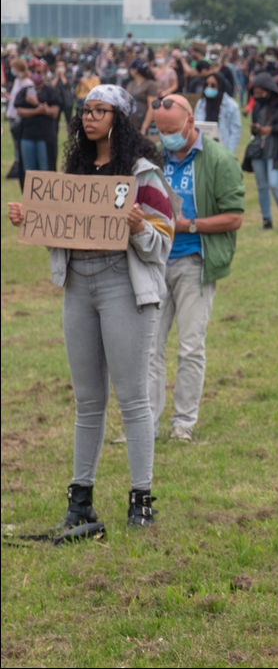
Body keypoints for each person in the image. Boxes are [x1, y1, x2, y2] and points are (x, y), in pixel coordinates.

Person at [7, 85, 174, 530]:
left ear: (120, 118)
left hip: (123, 283)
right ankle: (80, 499)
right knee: (87, 401)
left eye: (100, 111)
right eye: (85, 111)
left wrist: (139, 228)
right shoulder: (76, 171)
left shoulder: (142, 174)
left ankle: (142, 497)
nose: (89, 117)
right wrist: (33, 220)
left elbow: (163, 243)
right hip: (78, 286)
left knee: (134, 398)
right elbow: (65, 232)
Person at [148, 94, 245, 442]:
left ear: (191, 121)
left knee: (190, 346)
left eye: (172, 129)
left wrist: (189, 225)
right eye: (160, 130)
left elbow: (234, 217)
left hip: (194, 262)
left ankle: (183, 424)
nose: (166, 137)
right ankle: (146, 424)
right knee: (149, 349)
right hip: (154, 262)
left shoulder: (218, 159)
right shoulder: (152, 158)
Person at [248, 72, 278, 230]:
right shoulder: (257, 106)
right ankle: (266, 220)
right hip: (259, 150)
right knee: (262, 187)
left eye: (260, 92)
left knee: (275, 185)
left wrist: (272, 130)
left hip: (276, 150)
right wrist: (256, 129)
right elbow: (255, 127)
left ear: (268, 90)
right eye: (255, 92)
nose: (257, 95)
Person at [13, 59, 58, 187]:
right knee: (29, 171)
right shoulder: (24, 91)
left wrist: (36, 104)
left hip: (45, 137)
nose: (36, 75)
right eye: (33, 72)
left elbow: (54, 112)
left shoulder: (50, 91)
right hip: (27, 136)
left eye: (39, 72)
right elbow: (20, 111)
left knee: (45, 170)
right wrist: (39, 110)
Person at [195, 73, 242, 154]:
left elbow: (235, 131)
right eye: (207, 84)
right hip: (202, 148)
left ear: (220, 86)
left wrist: (229, 153)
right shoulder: (201, 103)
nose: (209, 87)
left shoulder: (231, 106)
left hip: (222, 148)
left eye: (213, 85)